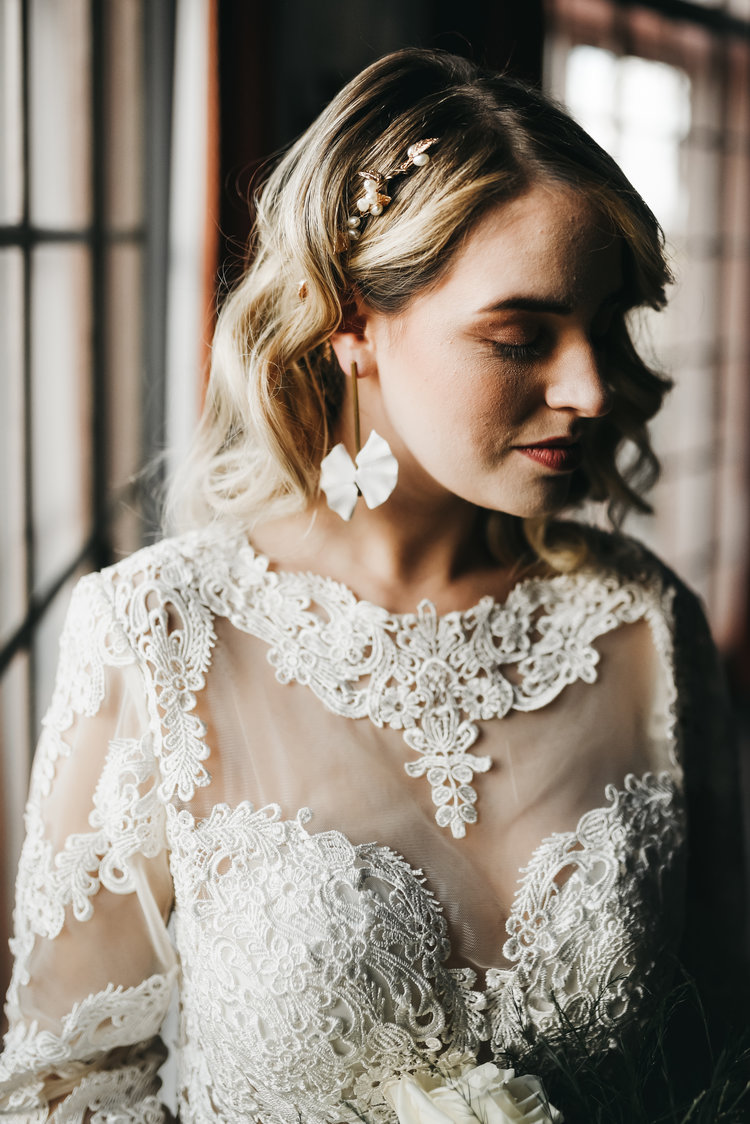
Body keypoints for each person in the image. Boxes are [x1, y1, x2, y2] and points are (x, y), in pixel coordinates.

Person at [0, 47, 746, 1124]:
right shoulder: (159, 632)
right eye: (521, 334)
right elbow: (68, 1095)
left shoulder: (647, 626)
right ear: (350, 320)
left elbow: (721, 1040)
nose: (588, 385)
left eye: (607, 322)